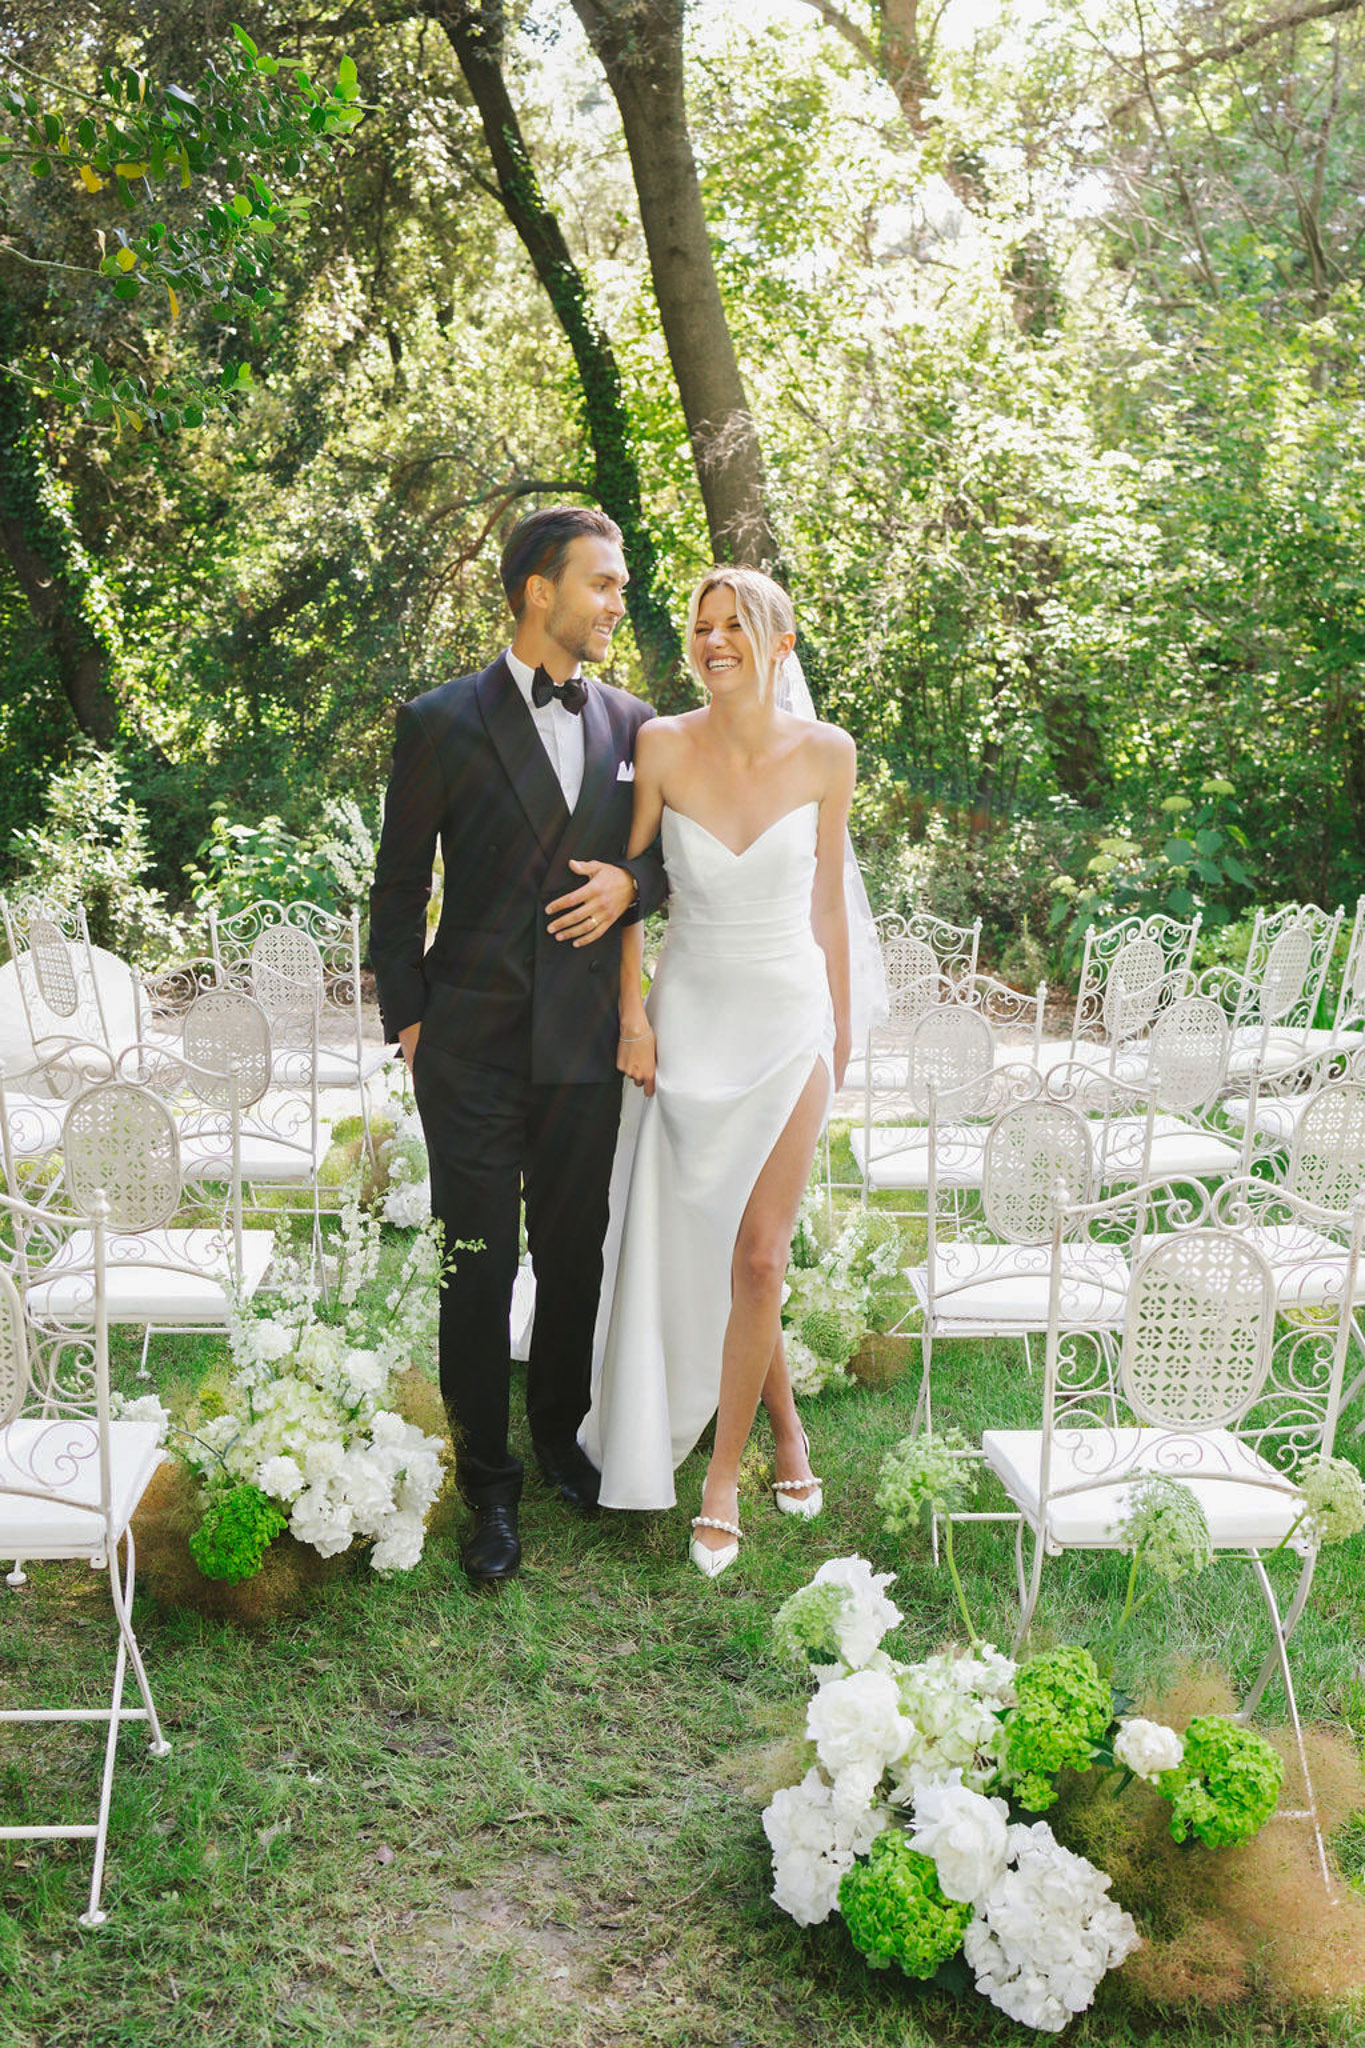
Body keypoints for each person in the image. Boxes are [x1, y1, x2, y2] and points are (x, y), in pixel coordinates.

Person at [369, 505, 666, 1589]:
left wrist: (637, 881)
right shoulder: (441, 720)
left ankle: (558, 1442)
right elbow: (397, 888)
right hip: (473, 1043)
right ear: (539, 589)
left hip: (588, 1040)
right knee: (479, 1268)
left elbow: (675, 857)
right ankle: (488, 1486)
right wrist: (411, 1017)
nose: (617, 602)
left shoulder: (636, 724)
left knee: (576, 1257)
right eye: (603, 583)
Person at [579, 566, 859, 1578]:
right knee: (720, 1243)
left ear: (780, 642)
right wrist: (632, 1016)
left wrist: (844, 1020)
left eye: (735, 624)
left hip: (790, 1020)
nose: (714, 639)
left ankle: (723, 1477)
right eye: (702, 626)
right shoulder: (659, 744)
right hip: (687, 1019)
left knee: (757, 1252)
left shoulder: (829, 754)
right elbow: (630, 891)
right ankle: (789, 1427)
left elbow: (828, 905)